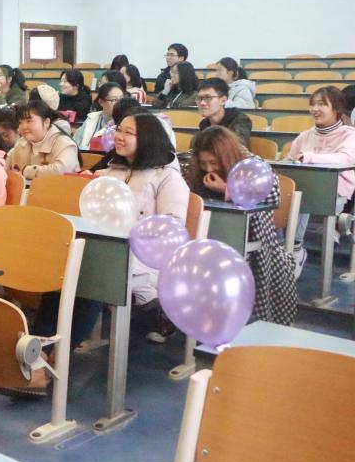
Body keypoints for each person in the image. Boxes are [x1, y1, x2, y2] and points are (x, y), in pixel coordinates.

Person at [188, 126, 297, 326]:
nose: (209, 169)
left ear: (226, 155)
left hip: (252, 238)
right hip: (213, 235)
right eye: (203, 163)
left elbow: (271, 199)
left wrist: (226, 189)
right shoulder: (196, 170)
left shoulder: (255, 165)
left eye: (214, 162)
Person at [98, 113, 190, 342]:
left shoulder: (167, 177)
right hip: (111, 245)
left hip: (148, 253)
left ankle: (158, 308)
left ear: (148, 139)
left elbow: (171, 228)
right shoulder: (112, 172)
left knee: (102, 264)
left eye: (128, 133)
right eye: (119, 129)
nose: (119, 136)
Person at [285, 86, 355, 275]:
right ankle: (283, 249)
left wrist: (309, 157)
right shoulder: (305, 135)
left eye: (322, 104)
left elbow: (346, 158)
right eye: (313, 104)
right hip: (305, 188)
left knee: (302, 196)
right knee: (284, 195)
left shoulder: (349, 134)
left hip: (335, 191)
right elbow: (289, 161)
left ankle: (295, 248)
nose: (315, 109)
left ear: (336, 108)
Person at [8, 101, 80, 179]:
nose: (24, 127)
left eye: (29, 121)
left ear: (46, 122)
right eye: (20, 122)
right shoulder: (21, 143)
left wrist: (25, 171)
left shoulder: (64, 143)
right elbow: (6, 165)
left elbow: (62, 170)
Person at [196, 79, 252, 146]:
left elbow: (237, 148)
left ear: (223, 100)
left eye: (208, 98)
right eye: (199, 98)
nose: (202, 103)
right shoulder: (204, 124)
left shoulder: (240, 120)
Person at [73, 83, 125, 150]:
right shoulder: (92, 118)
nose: (119, 104)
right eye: (114, 100)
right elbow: (76, 142)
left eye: (121, 100)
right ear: (101, 102)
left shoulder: (125, 121)